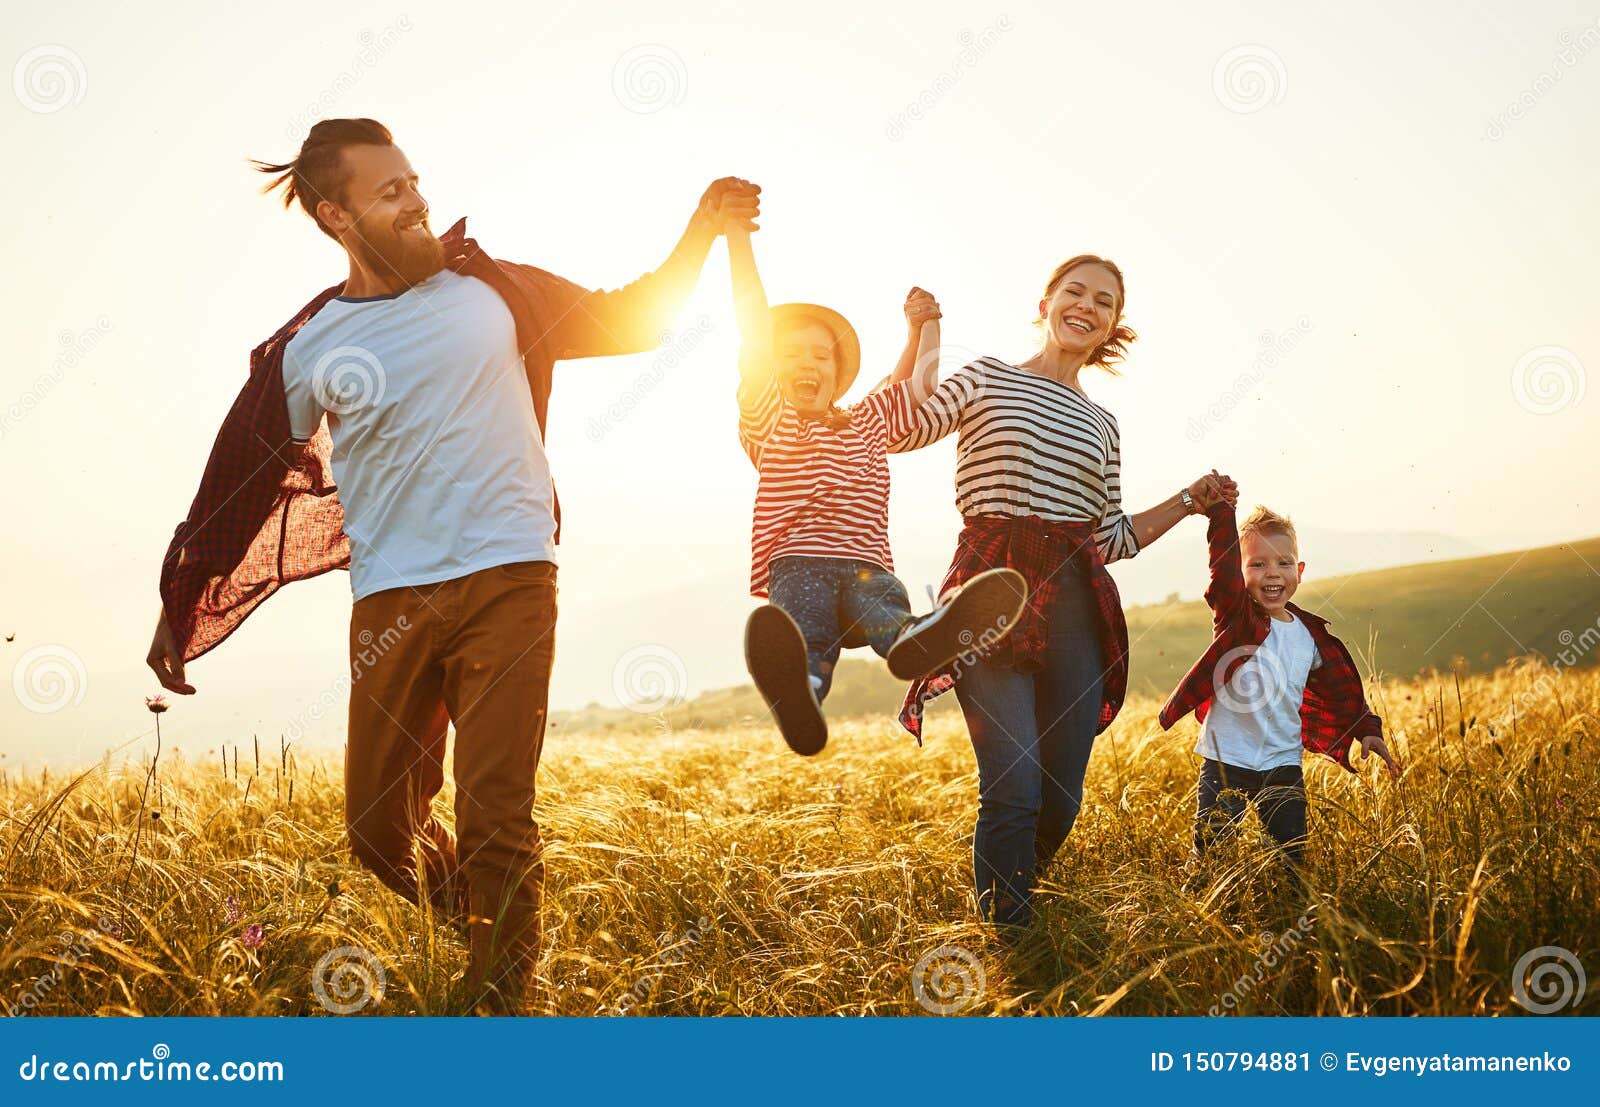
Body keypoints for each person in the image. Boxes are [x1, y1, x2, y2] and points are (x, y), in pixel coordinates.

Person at [144, 117, 759, 1012]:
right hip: (390, 597)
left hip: (509, 577)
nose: (417, 199)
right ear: (334, 215)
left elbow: (635, 316)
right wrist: (181, 603)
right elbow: (240, 482)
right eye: (389, 190)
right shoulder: (311, 346)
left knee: (495, 812)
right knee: (376, 828)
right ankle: (492, 920)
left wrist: (701, 225)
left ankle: (499, 1000)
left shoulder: (492, 291)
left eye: (415, 181)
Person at [890, 255, 1237, 928]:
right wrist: (924, 333)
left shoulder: (1103, 423)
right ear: (1046, 302)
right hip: (990, 591)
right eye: (1074, 291)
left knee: (1058, 796)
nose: (1087, 305)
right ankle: (1011, 941)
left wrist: (1190, 500)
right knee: (1013, 784)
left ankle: (1017, 894)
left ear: (1112, 325)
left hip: (1077, 600)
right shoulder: (987, 377)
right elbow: (908, 427)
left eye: (1103, 302)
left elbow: (1110, 537)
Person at [727, 223, 1026, 756]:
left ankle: (923, 640)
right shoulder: (771, 419)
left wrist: (927, 326)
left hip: (868, 568)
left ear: (838, 372)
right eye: (790, 355)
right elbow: (751, 325)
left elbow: (919, 386)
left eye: (821, 356)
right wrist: (736, 240)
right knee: (807, 639)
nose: (807, 363)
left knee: (889, 617)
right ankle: (803, 698)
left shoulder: (867, 420)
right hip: (799, 565)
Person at [1159, 503, 1401, 880]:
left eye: (1283, 563)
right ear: (1239, 574)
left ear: (1299, 572)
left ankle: (1290, 914)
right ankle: (1203, 914)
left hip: (1283, 763)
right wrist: (1222, 510)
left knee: (1291, 860)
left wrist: (1367, 729)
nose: (1272, 572)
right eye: (1257, 564)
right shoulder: (1236, 617)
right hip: (1227, 761)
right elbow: (1221, 564)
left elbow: (1343, 692)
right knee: (1212, 855)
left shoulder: (1310, 636)